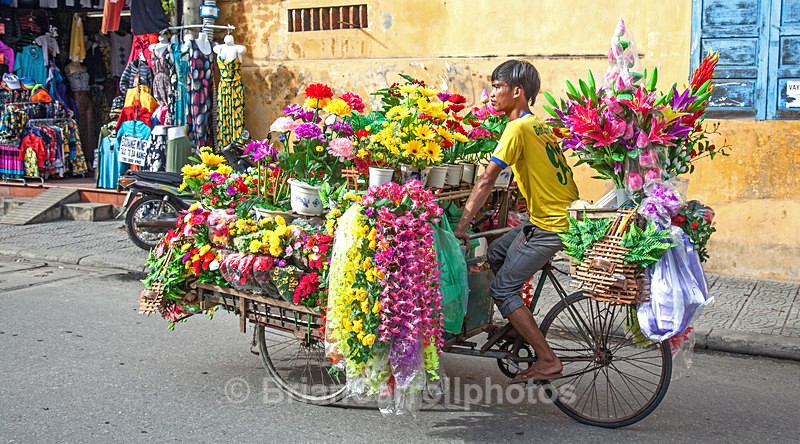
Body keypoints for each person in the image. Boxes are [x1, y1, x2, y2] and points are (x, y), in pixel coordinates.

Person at [453, 60, 579, 384]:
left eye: (498, 87)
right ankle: (516, 325)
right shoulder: (538, 125)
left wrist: (463, 225)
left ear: (517, 92)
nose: (491, 94)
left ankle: (548, 359)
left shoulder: (517, 127)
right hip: (553, 217)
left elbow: (486, 181)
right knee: (495, 253)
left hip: (550, 226)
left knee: (503, 287)